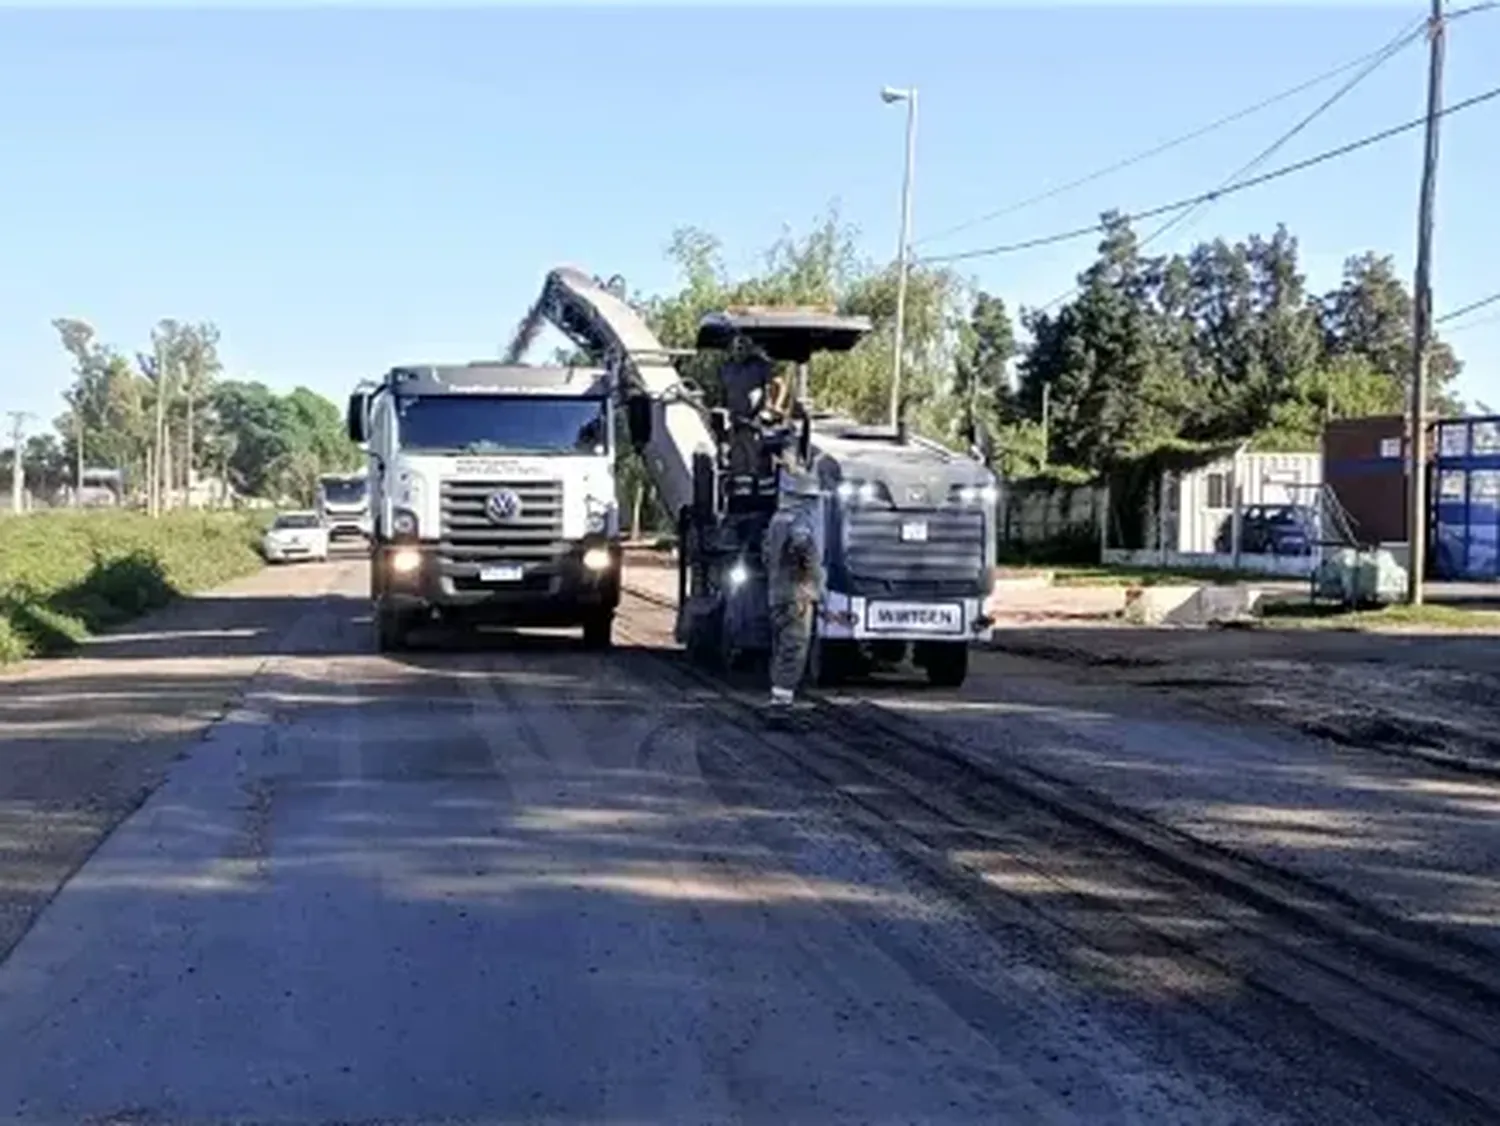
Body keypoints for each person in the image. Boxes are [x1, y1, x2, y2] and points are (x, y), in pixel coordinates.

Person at [763, 468, 823, 709]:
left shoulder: (777, 520)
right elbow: (801, 548)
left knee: (780, 646)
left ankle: (778, 696)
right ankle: (782, 703)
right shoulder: (800, 521)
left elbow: (767, 556)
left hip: (776, 594)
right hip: (796, 596)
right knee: (794, 646)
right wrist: (807, 584)